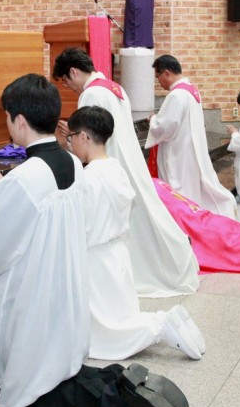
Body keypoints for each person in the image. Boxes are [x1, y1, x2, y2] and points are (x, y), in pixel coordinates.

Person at [0, 74, 189, 407]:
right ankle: (119, 379)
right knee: (49, 370)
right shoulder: (72, 163)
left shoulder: (24, 178)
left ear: (19, 121)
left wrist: (0, 200)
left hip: (32, 294)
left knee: (32, 394)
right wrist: (6, 197)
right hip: (65, 291)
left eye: (7, 116)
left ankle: (120, 397)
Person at [53, 48, 199, 297]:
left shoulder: (91, 94)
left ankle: (139, 272)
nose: (69, 87)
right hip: (127, 163)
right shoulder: (114, 87)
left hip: (107, 166)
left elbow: (89, 140)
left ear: (74, 72)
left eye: (66, 81)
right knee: (146, 217)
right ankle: (170, 262)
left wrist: (69, 138)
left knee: (129, 227)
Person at [66, 105, 205, 361]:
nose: (70, 143)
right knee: (119, 314)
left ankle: (161, 324)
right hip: (117, 253)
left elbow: (82, 224)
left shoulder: (89, 177)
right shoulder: (114, 167)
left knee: (107, 331)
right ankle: (164, 322)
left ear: (83, 136)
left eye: (71, 137)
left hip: (96, 257)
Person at [145, 55, 237, 218]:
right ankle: (194, 216)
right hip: (189, 148)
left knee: (180, 188)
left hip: (179, 153)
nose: (158, 82)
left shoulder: (176, 95)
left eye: (158, 77)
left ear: (167, 73)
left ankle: (184, 218)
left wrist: (153, 119)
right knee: (191, 187)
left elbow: (164, 127)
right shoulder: (191, 90)